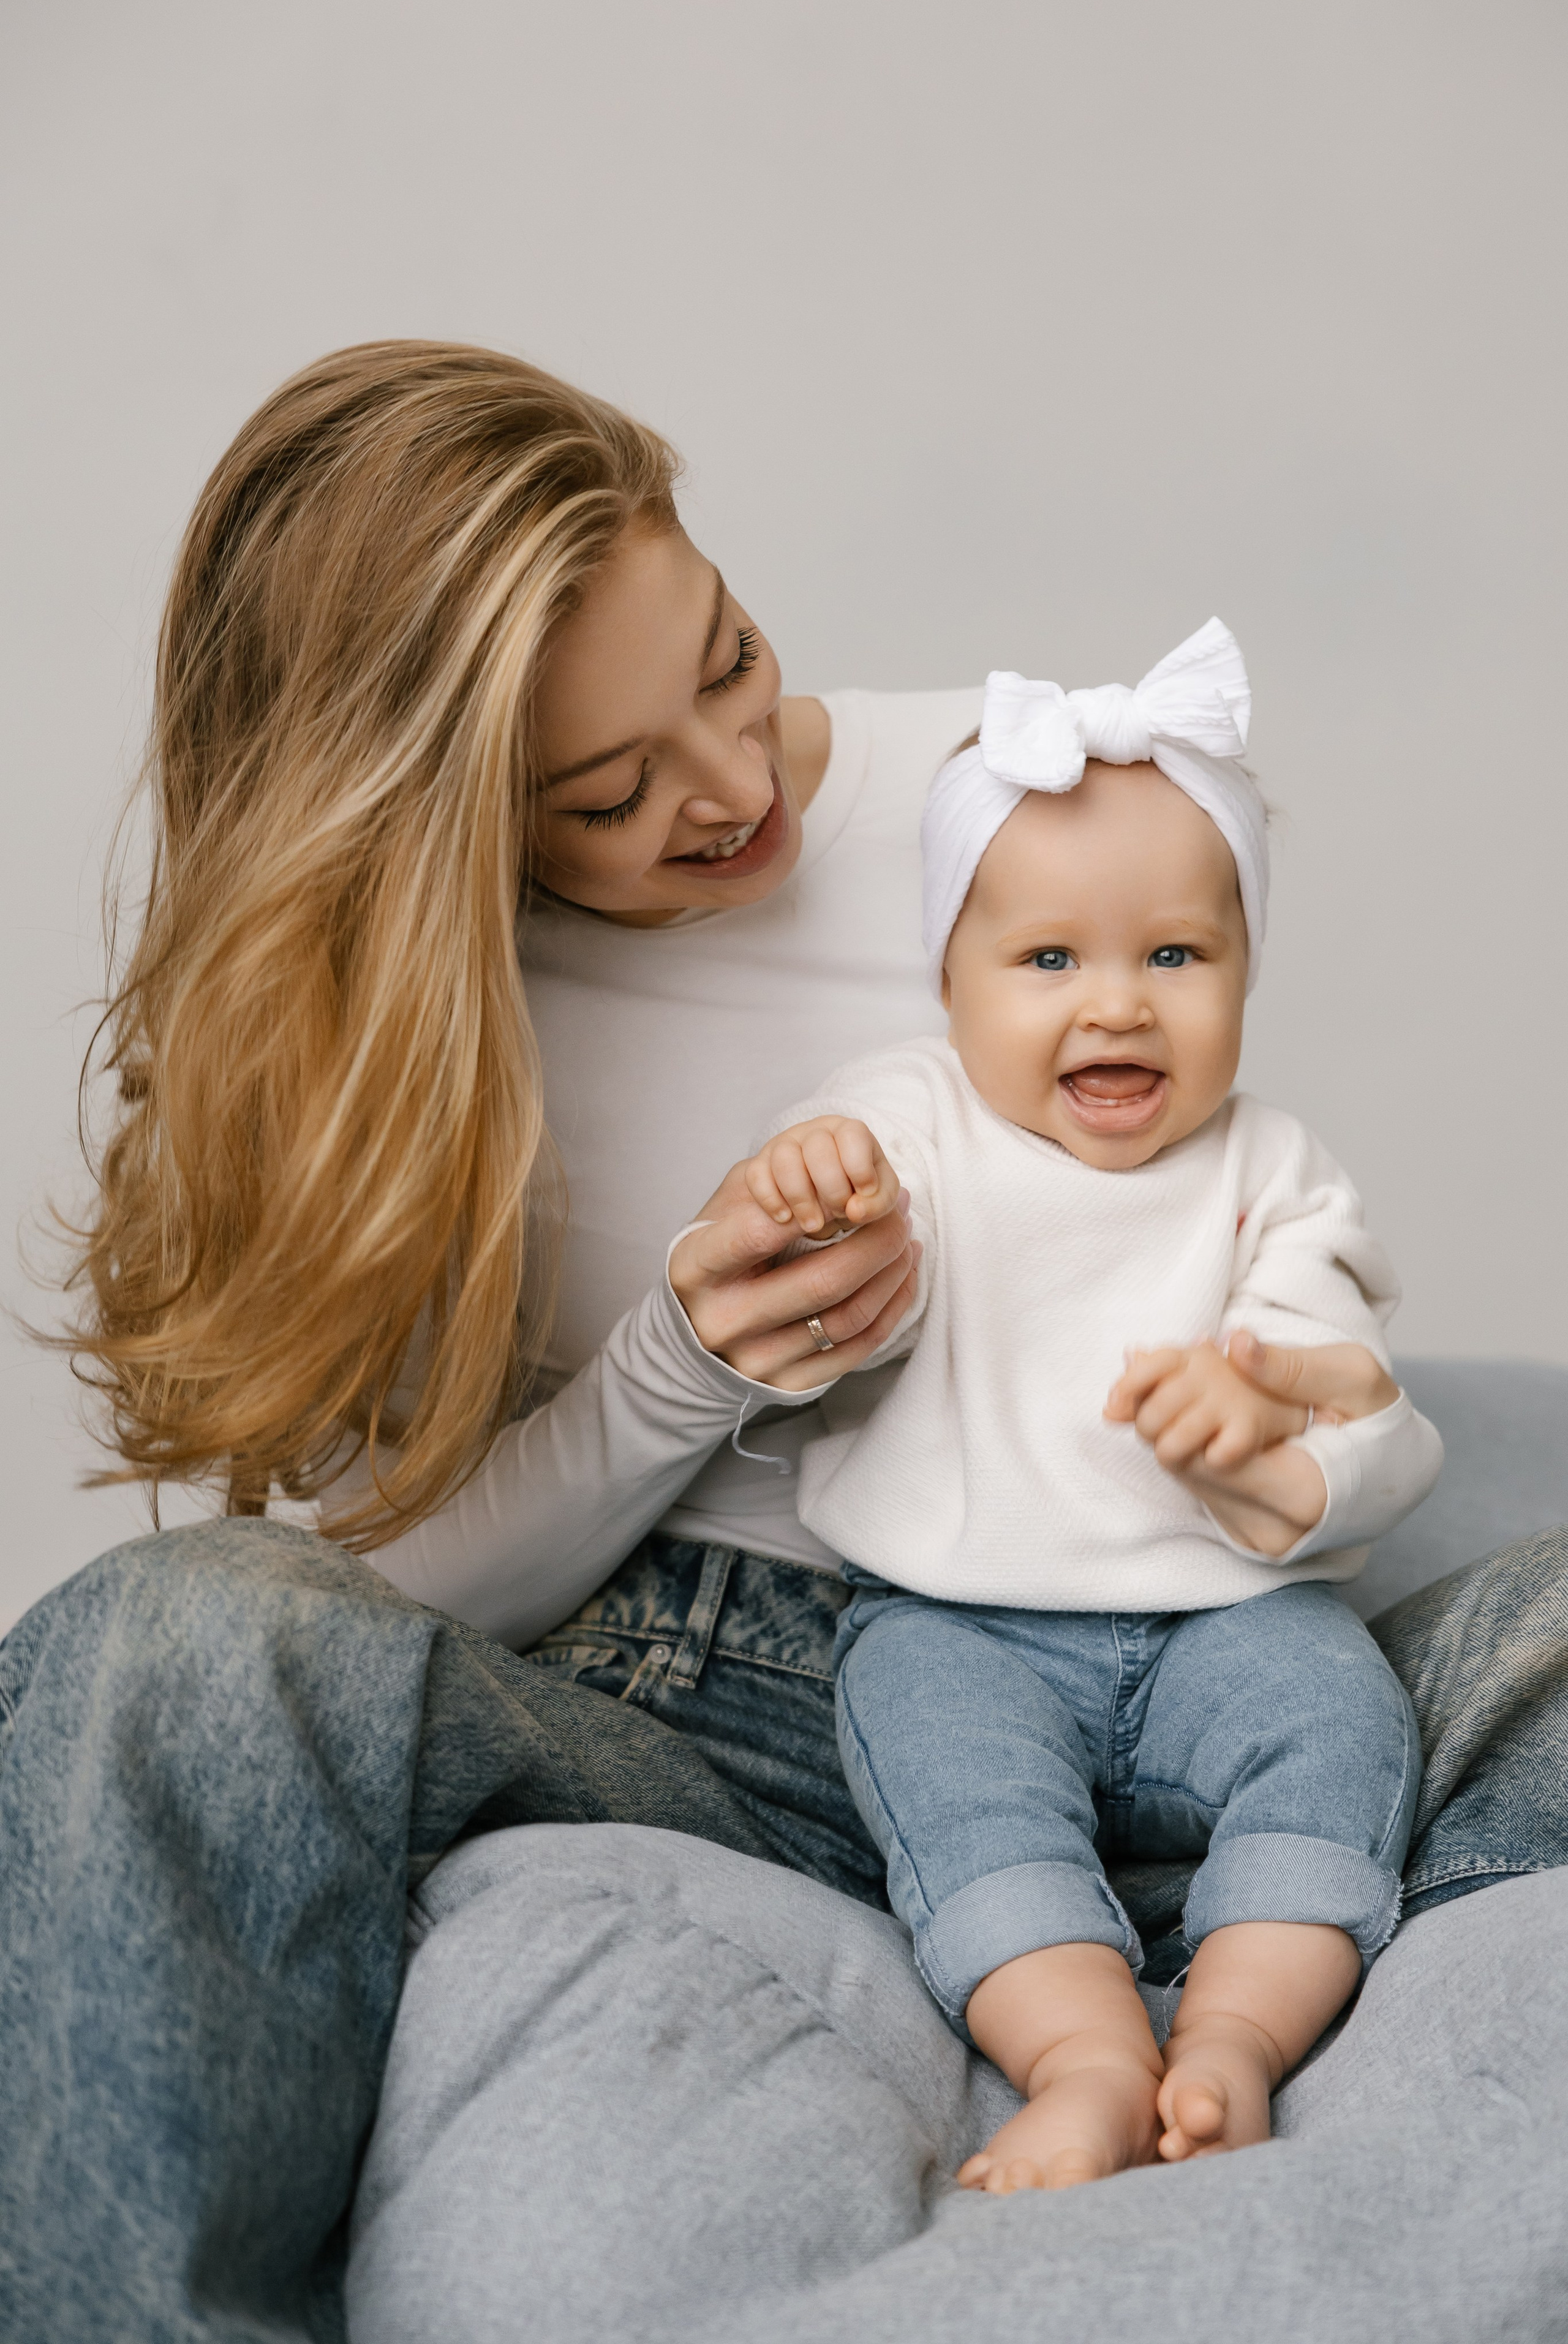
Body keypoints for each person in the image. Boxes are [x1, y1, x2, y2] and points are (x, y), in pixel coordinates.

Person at [0, 340, 1560, 2342]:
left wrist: (1274, 1425)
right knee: (162, 1638)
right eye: (610, 790)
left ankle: (1207, 1950)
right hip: (700, 1700)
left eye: (729, 664)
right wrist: (684, 1367)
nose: (735, 790)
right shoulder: (391, 1030)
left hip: (1177, 1643)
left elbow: (1236, 1210)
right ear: (432, 823)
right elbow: (378, 1600)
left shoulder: (1012, 797)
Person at [734, 621, 1441, 2192]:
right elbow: (807, 1239)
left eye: (1174, 957)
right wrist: (798, 1193)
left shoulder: (1270, 1168)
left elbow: (1331, 1367)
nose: (1114, 1005)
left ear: (1245, 971)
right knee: (951, 1790)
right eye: (1048, 960)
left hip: (1227, 1614)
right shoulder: (907, 1114)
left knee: (1342, 1725)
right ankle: (1085, 2058)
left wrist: (1259, 1419)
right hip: (956, 1619)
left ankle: (1236, 2041)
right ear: (949, 979)